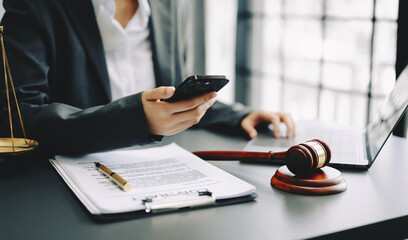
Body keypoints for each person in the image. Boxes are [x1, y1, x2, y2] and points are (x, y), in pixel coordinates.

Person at [0, 0, 295, 156]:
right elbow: (18, 115)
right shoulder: (33, 5)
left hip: (165, 167)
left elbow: (175, 92)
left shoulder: (173, 5)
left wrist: (238, 115)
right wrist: (134, 119)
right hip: (66, 183)